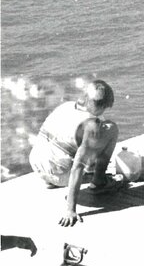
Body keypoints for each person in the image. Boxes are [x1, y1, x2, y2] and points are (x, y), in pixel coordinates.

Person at [28, 80, 121, 227]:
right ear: (103, 106)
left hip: (37, 164)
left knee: (71, 145)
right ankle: (99, 182)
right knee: (111, 128)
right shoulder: (91, 125)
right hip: (60, 174)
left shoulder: (66, 106)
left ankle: (51, 179)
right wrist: (70, 210)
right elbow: (78, 166)